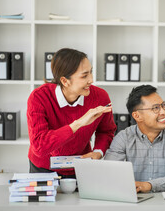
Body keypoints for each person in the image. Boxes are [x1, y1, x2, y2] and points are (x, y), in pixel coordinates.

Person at [27, 48, 117, 178]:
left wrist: (98, 152)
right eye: (84, 76)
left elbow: (106, 131)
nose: (91, 80)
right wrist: (79, 123)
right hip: (44, 168)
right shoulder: (39, 97)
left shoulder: (100, 97)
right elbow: (39, 146)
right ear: (65, 81)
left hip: (81, 166)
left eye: (91, 72)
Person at [104, 85, 165, 193]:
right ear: (137, 116)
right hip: (135, 200)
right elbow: (109, 173)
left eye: (163, 105)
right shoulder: (124, 137)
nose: (164, 112)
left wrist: (149, 185)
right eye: (156, 108)